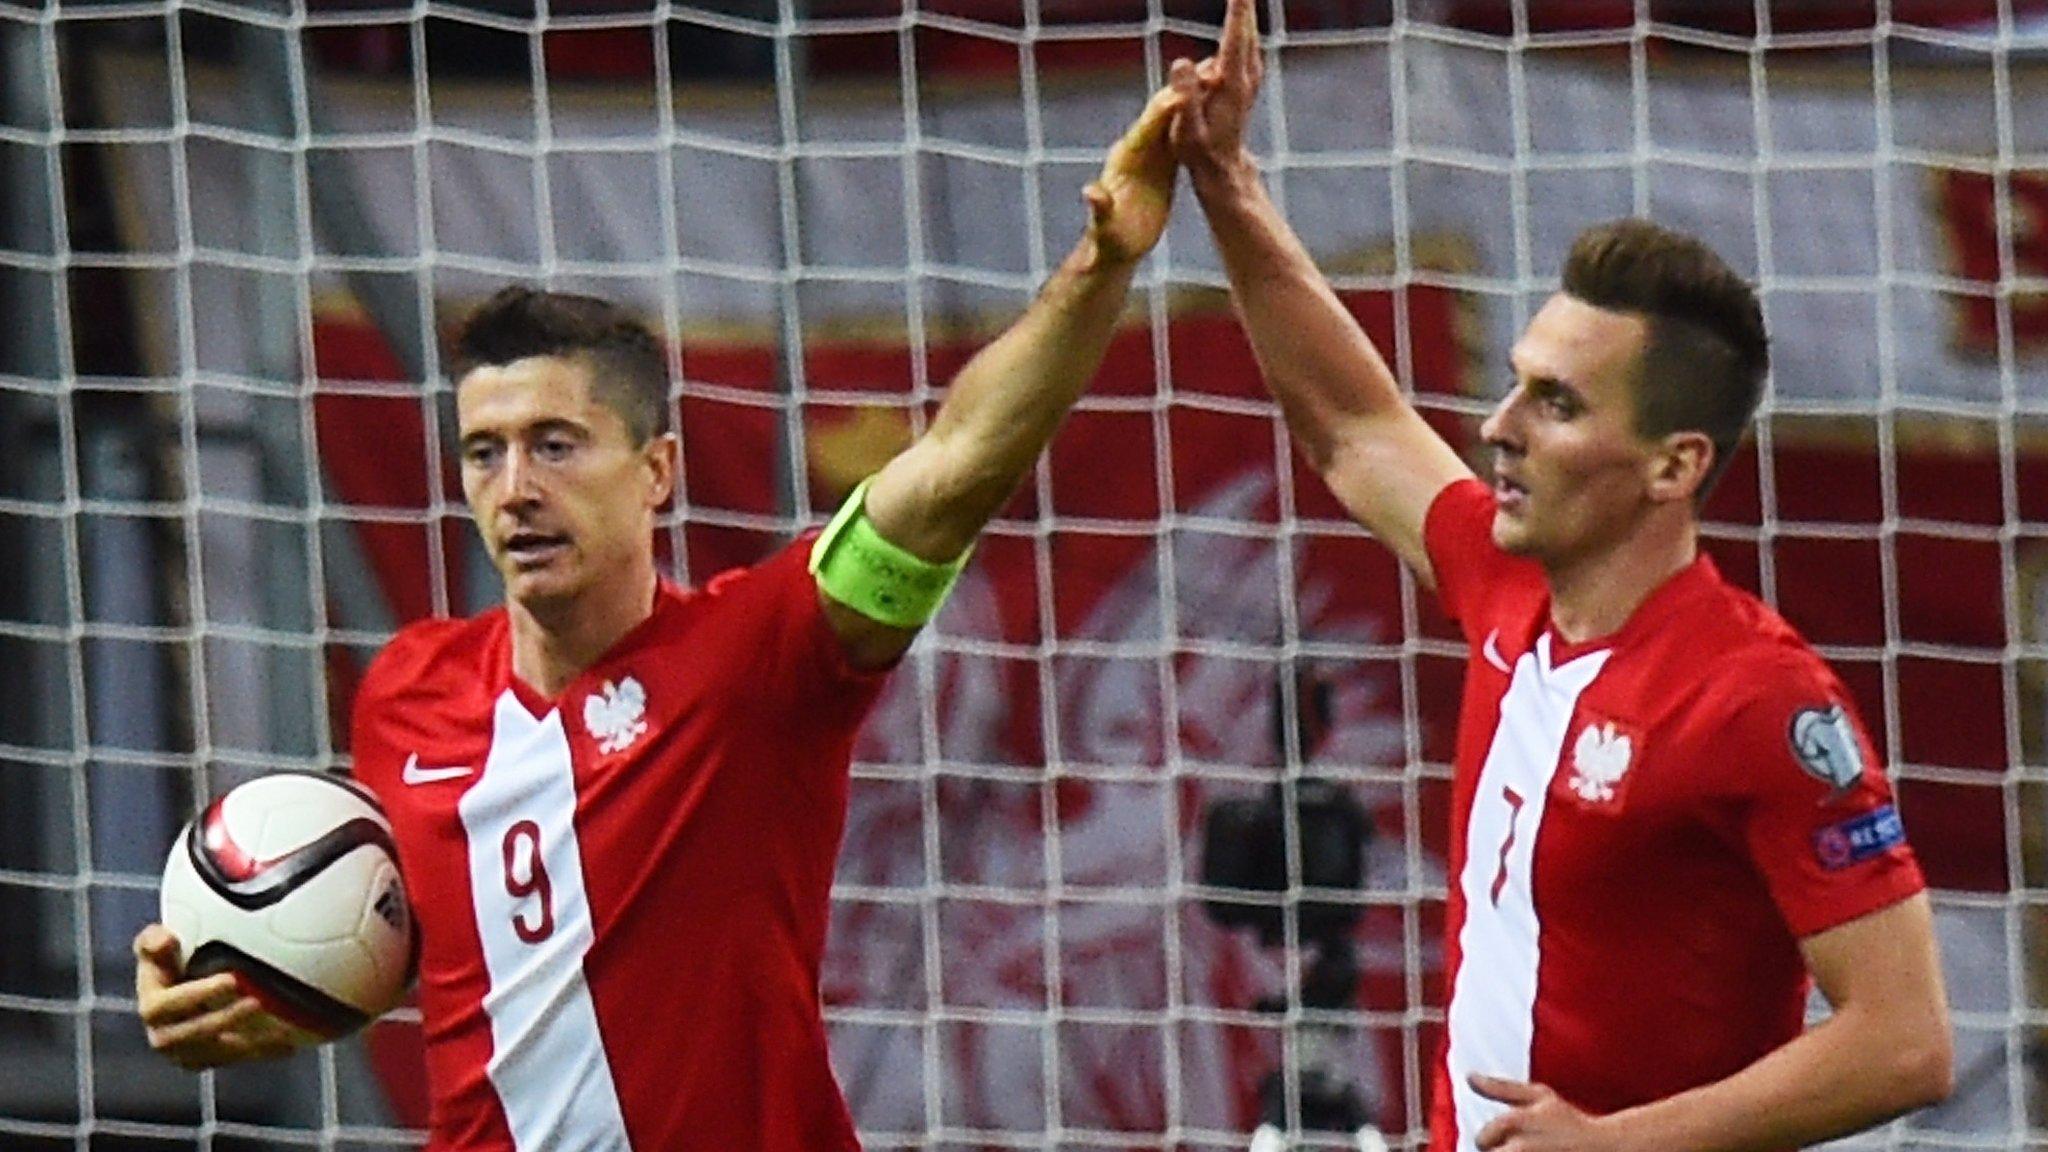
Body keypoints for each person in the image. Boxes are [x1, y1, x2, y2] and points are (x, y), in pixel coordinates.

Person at [129, 83, 1185, 1150]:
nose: (515, 488)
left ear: (656, 472)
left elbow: (956, 464)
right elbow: (403, 923)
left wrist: (1101, 268)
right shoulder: (406, 693)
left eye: (555, 443)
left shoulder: (756, 660)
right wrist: (247, 985)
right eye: (484, 452)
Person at [1161, 2, 1954, 1150]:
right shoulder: (1503, 584)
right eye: (1519, 382)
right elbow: (1350, 422)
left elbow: (1904, 1039)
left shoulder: (1757, 701)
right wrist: (1227, 185)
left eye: (1555, 402)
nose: (1496, 424)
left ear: (1672, 465)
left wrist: (1618, 1143)